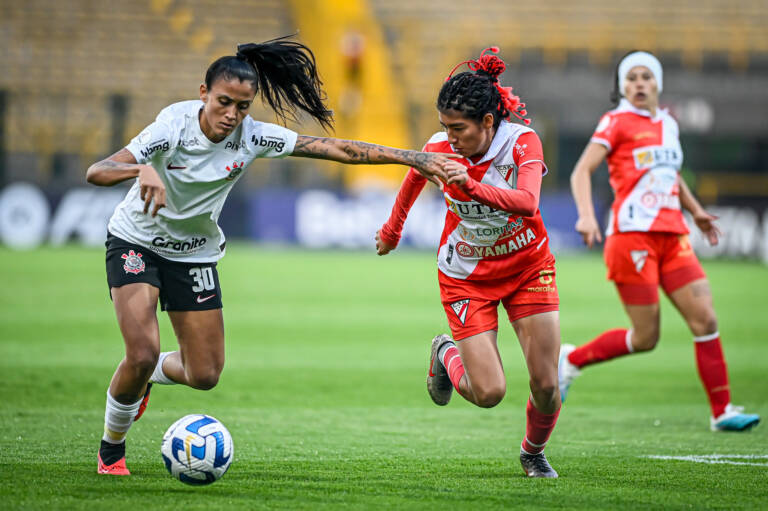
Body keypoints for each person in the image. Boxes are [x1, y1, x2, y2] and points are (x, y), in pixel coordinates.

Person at [86, 36, 457, 476]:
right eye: (224, 102)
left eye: (243, 106)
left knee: (204, 374)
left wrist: (414, 158)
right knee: (143, 350)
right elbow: (99, 171)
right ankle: (112, 449)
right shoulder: (172, 125)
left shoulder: (253, 136)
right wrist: (141, 169)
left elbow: (336, 149)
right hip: (137, 241)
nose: (232, 115)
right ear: (203, 93)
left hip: (194, 253)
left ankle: (147, 377)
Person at [376, 47, 562, 478]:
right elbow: (412, 180)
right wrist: (392, 231)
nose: (450, 137)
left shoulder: (521, 142)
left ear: (488, 123)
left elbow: (529, 203)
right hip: (466, 277)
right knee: (489, 393)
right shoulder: (439, 149)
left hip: (527, 267)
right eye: (444, 127)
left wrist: (473, 188)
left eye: (458, 128)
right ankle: (445, 352)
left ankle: (532, 453)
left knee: (547, 384)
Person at [559, 50, 760, 432]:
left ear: (657, 83)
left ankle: (723, 411)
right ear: (623, 86)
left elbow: (671, 173)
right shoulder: (615, 121)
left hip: (673, 236)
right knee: (647, 337)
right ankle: (572, 360)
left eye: (646, 77)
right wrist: (586, 215)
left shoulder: (668, 123)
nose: (639, 83)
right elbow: (581, 170)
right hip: (632, 236)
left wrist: (696, 210)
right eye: (631, 78)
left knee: (706, 319)